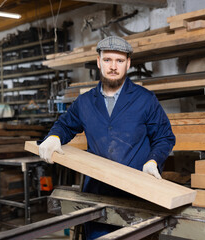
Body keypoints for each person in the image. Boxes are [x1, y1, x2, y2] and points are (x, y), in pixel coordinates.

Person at [38, 36, 175, 239]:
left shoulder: (145, 100)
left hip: (137, 194)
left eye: (119, 61)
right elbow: (65, 125)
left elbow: (164, 137)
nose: (113, 66)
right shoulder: (85, 102)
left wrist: (153, 160)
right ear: (98, 62)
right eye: (108, 60)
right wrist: (54, 136)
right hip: (98, 194)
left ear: (128, 63)